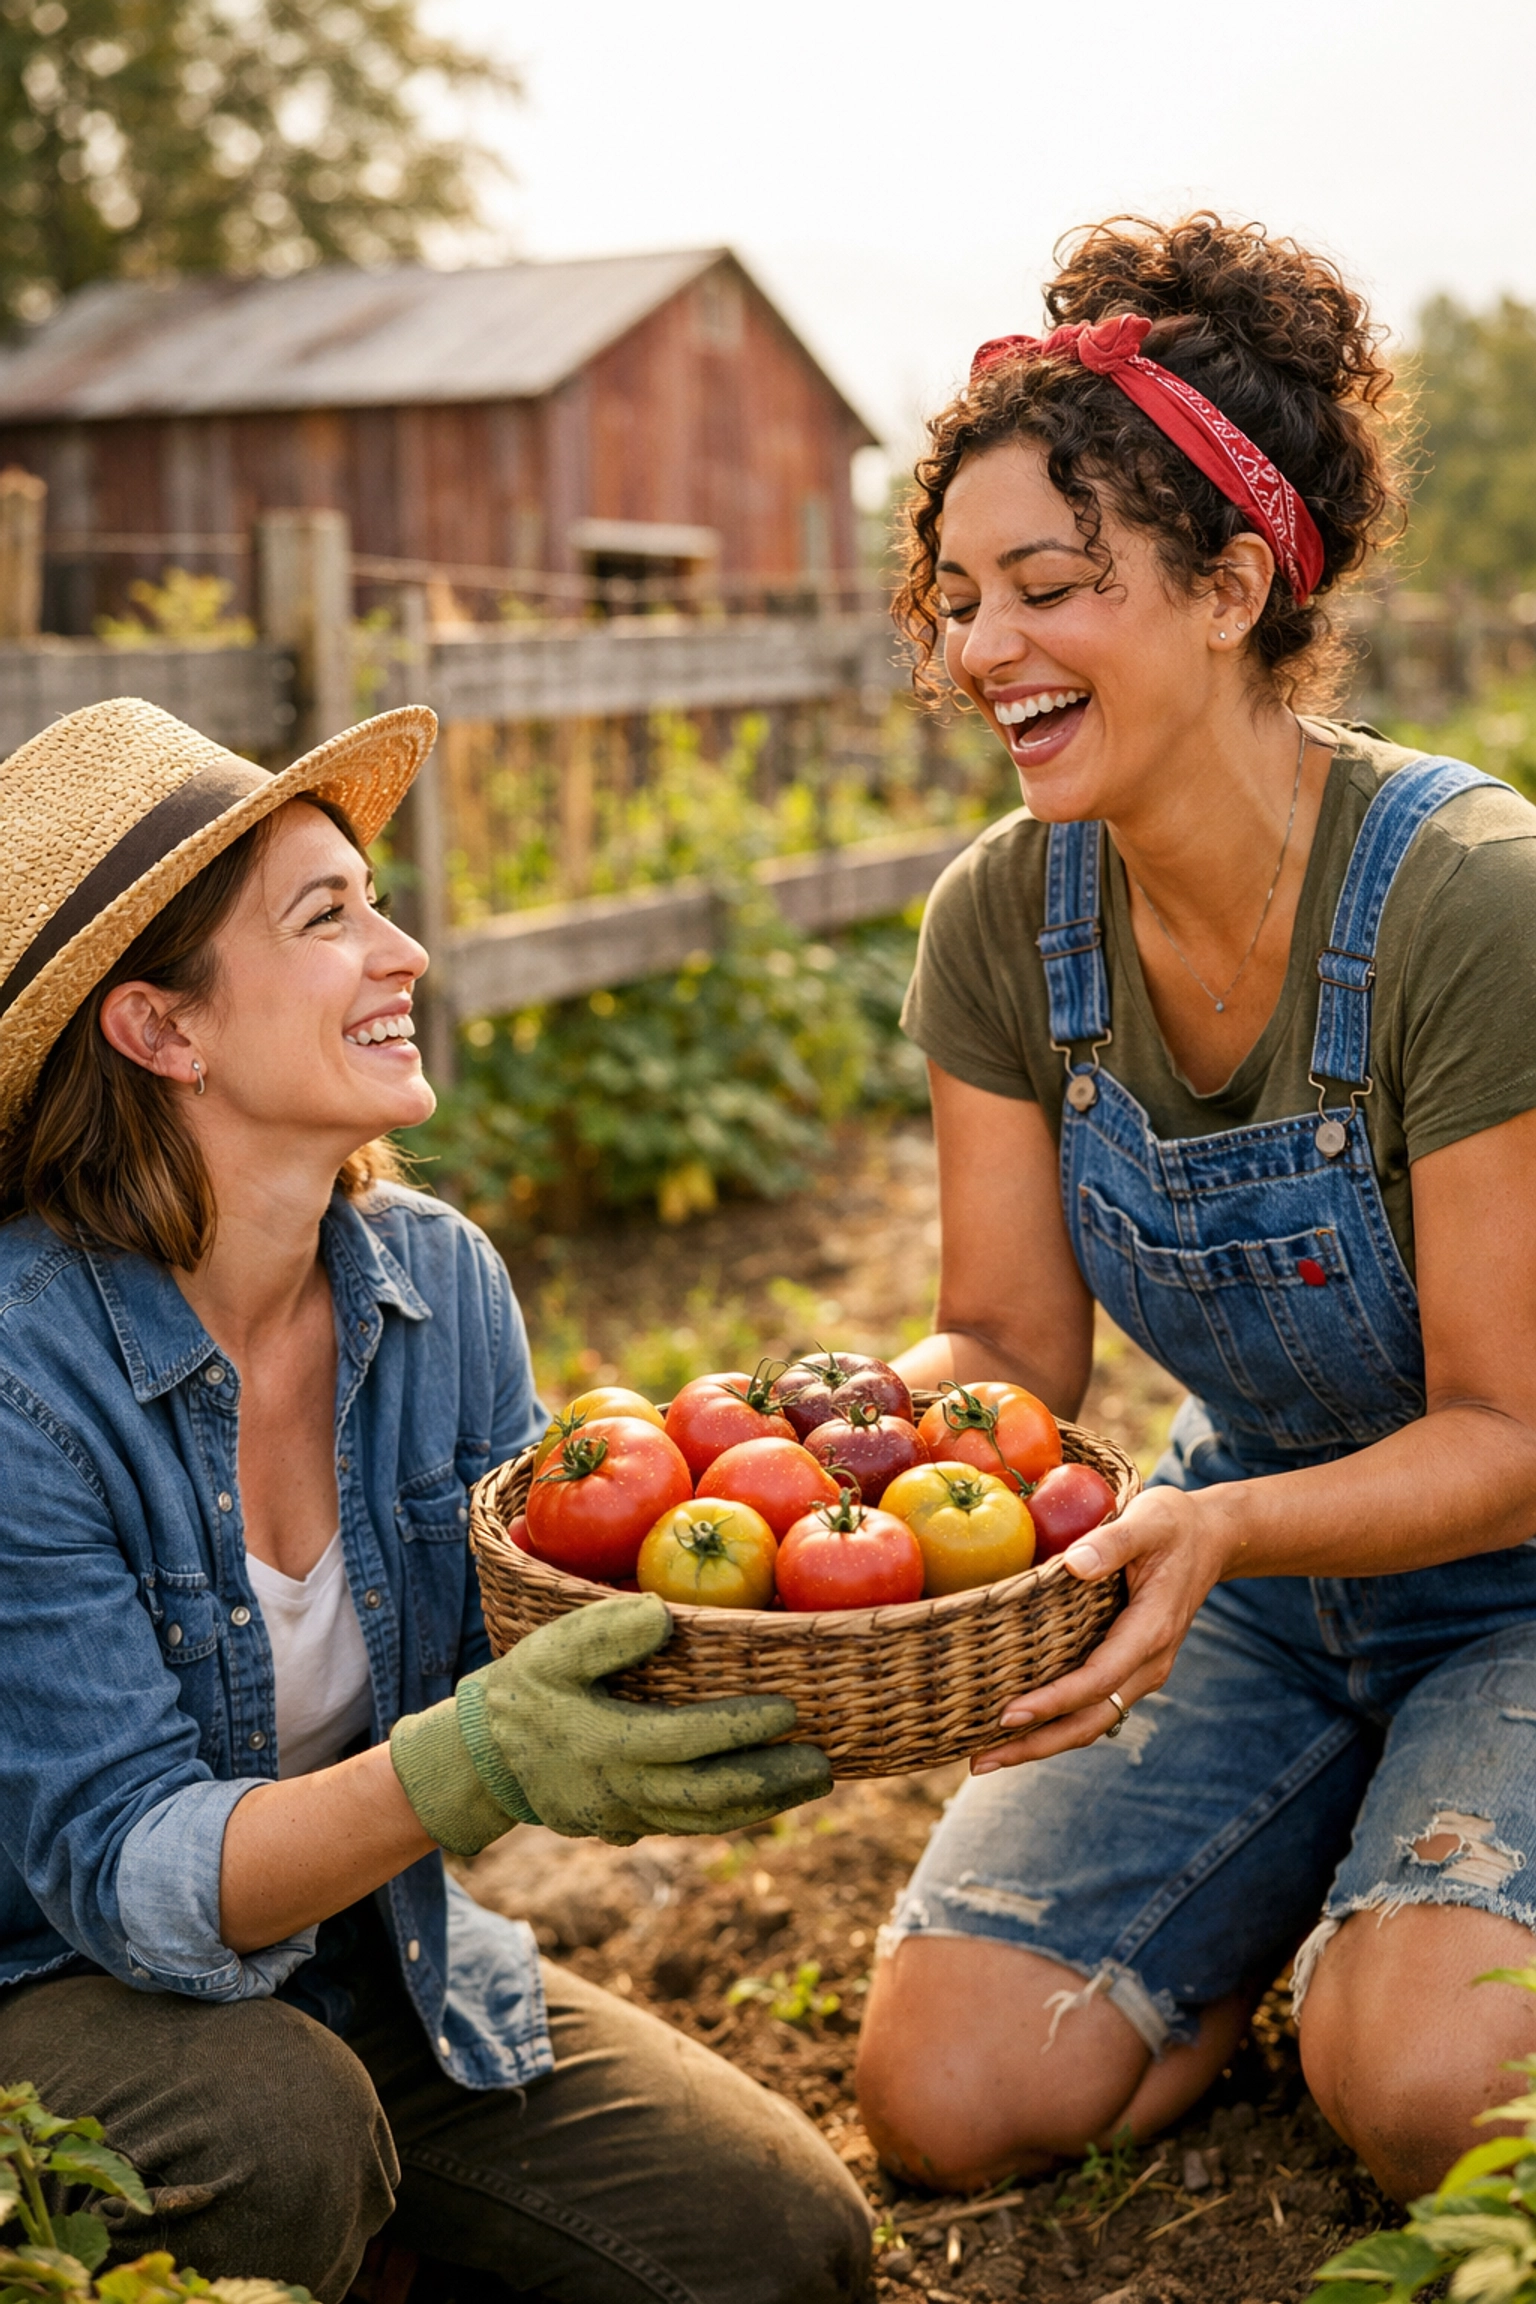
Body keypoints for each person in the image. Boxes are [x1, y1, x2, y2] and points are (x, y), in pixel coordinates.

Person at [0, 697, 873, 2304]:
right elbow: (127, 1876)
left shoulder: (434, 1286)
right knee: (278, 2137)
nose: (403, 950)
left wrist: (811, 1627)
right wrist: (470, 1761)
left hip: (366, 1964)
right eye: (328, 917)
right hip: (51, 1998)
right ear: (161, 1030)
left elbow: (547, 1626)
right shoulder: (21, 1380)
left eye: (376, 898)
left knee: (773, 2243)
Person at [853, 213, 1536, 2208]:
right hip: (1237, 1576)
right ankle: (1352, 1884)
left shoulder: (1463, 904)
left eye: (1048, 588)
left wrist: (1210, 1525)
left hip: (1510, 1571)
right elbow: (1001, 1350)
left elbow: (1508, 1436)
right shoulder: (1005, 916)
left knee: (1427, 2093)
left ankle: (1400, 1947)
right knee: (956, 2096)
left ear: (1234, 581)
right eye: (960, 595)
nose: (982, 650)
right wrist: (824, 1445)